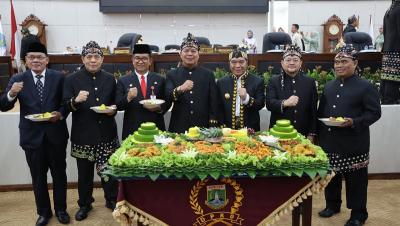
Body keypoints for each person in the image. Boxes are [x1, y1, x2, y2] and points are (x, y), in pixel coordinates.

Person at [0, 42, 70, 226]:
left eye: (40, 57)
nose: (36, 60)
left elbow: (66, 103)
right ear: (26, 60)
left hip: (56, 135)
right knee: (38, 177)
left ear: (47, 60)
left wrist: (60, 113)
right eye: (32, 57)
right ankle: (44, 212)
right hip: (32, 137)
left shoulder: (59, 77)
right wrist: (11, 94)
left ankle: (61, 210)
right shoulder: (18, 79)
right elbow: (3, 105)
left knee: (59, 175)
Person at [317, 45, 381, 226]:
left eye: (344, 61)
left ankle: (358, 214)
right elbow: (321, 112)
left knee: (356, 182)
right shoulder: (329, 86)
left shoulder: (366, 86)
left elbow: (374, 113)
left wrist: (354, 122)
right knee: (331, 177)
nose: (339, 65)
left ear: (355, 63)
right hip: (330, 141)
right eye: (336, 62)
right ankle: (332, 205)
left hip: (354, 143)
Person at [63, 41, 119, 221]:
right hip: (83, 135)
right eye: (89, 57)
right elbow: (64, 106)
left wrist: (113, 109)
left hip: (106, 133)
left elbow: (116, 102)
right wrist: (75, 100)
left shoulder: (110, 78)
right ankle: (85, 204)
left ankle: (111, 199)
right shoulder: (71, 79)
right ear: (83, 59)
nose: (93, 60)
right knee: (84, 174)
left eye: (97, 57)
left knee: (108, 171)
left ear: (102, 59)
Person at [165, 33, 219, 133]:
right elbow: (168, 96)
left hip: (203, 126)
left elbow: (213, 102)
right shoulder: (172, 74)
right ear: (180, 54)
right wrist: (180, 88)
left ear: (198, 54)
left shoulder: (208, 75)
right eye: (186, 51)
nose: (190, 54)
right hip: (179, 125)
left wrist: (212, 123)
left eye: (193, 51)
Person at [115, 44, 171, 139]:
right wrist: (128, 97)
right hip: (133, 129)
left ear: (150, 61)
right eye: (137, 58)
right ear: (132, 61)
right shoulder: (123, 81)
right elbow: (118, 106)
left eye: (144, 58)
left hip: (156, 127)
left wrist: (159, 108)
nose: (140, 61)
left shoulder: (160, 79)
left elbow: (168, 101)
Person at [265, 44, 318, 141]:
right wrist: (285, 103)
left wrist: (312, 133)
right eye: (288, 60)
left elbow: (313, 110)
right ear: (282, 63)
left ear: (301, 63)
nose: (292, 63)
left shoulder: (310, 82)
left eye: (295, 60)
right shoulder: (273, 81)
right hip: (279, 134)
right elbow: (269, 104)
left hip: (303, 133)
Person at [216, 50, 265, 131]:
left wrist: (246, 98)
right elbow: (218, 106)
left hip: (250, 127)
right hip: (227, 127)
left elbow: (261, 104)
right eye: (234, 62)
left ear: (247, 62)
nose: (238, 66)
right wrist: (221, 124)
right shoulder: (221, 82)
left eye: (241, 62)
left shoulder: (257, 81)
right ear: (229, 63)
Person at [380, 0, 400, 104]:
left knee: (388, 78)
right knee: (393, 79)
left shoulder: (390, 9)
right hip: (397, 50)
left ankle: (387, 100)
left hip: (389, 49)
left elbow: (385, 32)